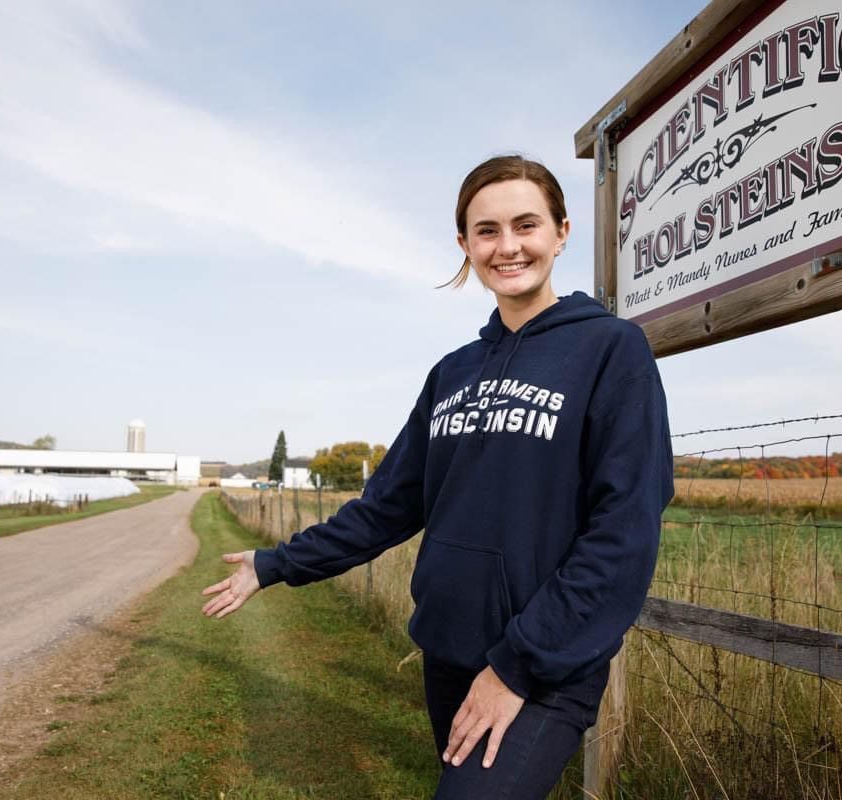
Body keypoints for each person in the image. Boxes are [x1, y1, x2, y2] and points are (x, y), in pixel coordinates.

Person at [201, 154, 674, 799]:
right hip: (449, 649)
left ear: (561, 233)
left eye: (526, 225)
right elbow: (386, 507)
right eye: (487, 231)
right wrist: (274, 564)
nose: (507, 247)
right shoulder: (452, 372)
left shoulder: (611, 351)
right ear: (465, 244)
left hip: (543, 663)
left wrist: (516, 666)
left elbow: (623, 532)